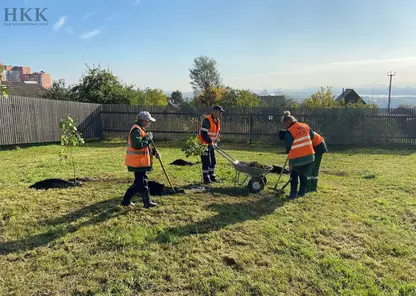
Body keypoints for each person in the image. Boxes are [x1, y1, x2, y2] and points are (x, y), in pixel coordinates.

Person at [121, 111, 161, 208]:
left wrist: (155, 152)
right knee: (140, 184)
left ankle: (128, 201)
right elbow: (137, 145)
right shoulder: (136, 130)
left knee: (142, 182)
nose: (149, 123)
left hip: (140, 162)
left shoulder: (141, 129)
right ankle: (145, 203)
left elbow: (146, 147)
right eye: (148, 121)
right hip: (137, 162)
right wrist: (148, 138)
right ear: (143, 120)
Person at [281, 111, 315, 199]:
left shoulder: (290, 131)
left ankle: (293, 194)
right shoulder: (305, 125)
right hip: (309, 156)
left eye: (284, 125)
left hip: (297, 157)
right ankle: (302, 193)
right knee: (303, 175)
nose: (284, 127)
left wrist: (288, 151)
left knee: (294, 176)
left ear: (287, 122)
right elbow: (311, 136)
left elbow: (288, 145)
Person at [197, 105, 224, 184]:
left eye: (221, 112)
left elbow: (216, 132)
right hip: (203, 144)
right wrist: (210, 142)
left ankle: (212, 176)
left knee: (213, 161)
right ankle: (206, 178)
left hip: (211, 144)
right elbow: (203, 134)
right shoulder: (207, 120)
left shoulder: (217, 120)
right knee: (206, 161)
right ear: (214, 111)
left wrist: (215, 142)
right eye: (219, 112)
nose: (220, 114)